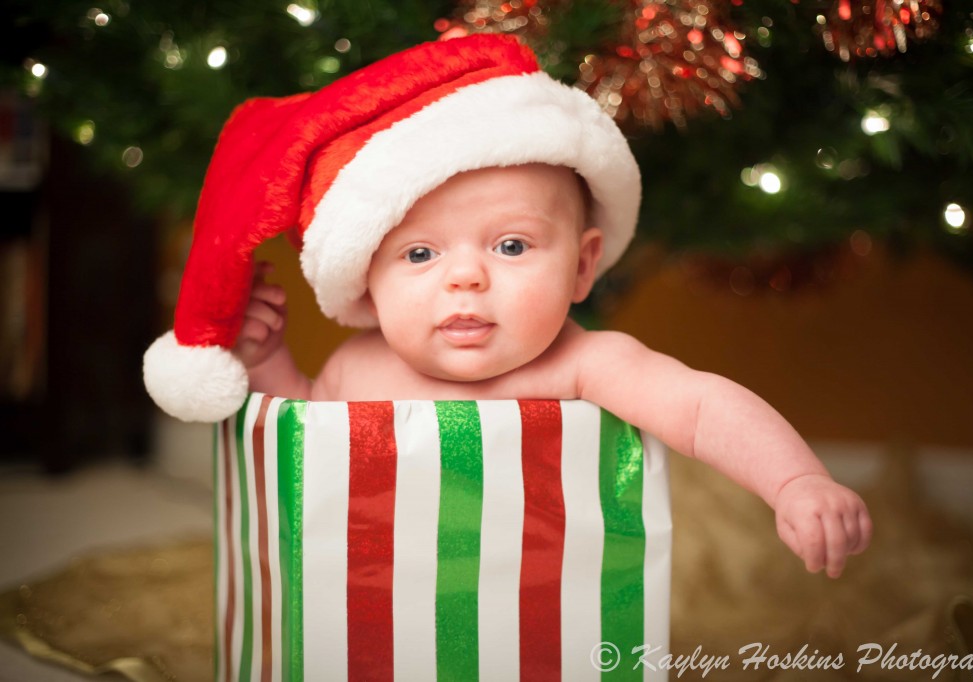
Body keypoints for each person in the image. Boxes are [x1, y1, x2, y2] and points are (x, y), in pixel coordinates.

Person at [143, 34, 870, 580]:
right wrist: (266, 361)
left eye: (512, 247)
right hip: (372, 604)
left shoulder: (586, 366)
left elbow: (704, 408)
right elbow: (301, 446)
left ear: (583, 266)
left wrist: (796, 481)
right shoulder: (355, 368)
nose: (466, 280)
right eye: (420, 254)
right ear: (369, 281)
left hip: (541, 608)